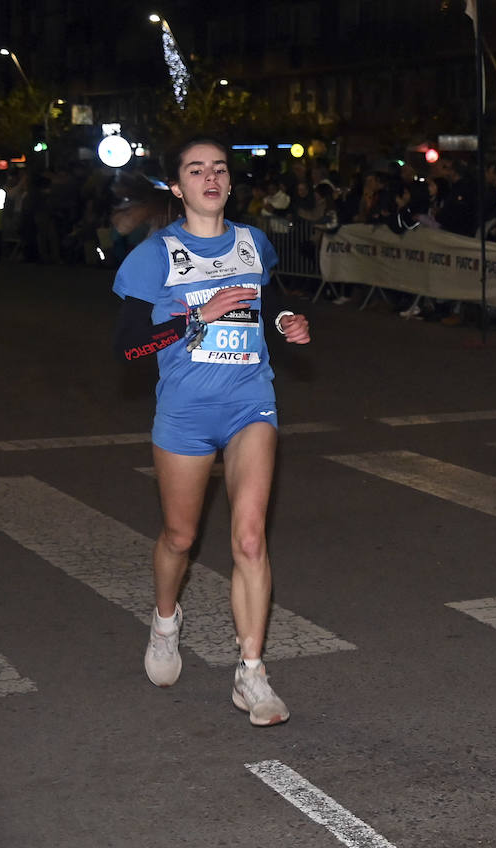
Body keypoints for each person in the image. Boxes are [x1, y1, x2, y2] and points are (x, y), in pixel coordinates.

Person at [111, 137, 311, 726]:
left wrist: (286, 319)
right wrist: (199, 315)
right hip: (186, 412)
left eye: (219, 169)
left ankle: (252, 674)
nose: (210, 177)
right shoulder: (156, 255)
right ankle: (166, 620)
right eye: (196, 170)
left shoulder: (252, 242)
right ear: (177, 187)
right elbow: (128, 348)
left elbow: (267, 293)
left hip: (251, 402)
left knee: (250, 539)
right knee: (180, 537)